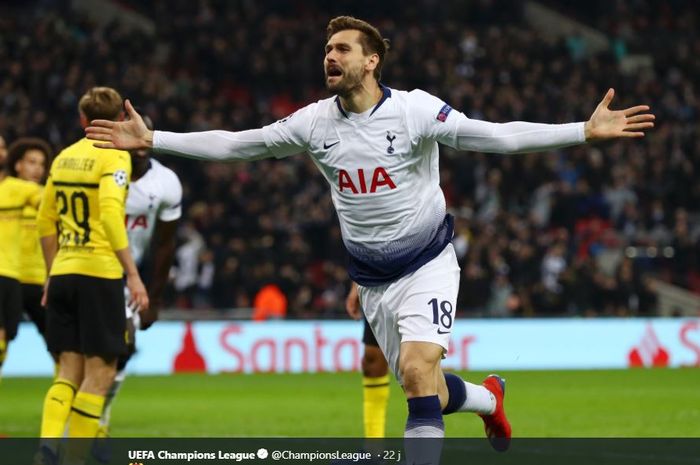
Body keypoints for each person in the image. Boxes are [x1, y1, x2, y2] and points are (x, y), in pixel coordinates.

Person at [86, 16, 654, 459]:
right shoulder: (314, 122)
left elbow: (494, 137)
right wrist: (154, 138)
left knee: (412, 371)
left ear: (372, 59)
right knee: (423, 380)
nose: (330, 57)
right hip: (374, 280)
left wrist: (582, 130)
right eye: (327, 51)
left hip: (429, 261)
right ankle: (486, 399)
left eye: (343, 49)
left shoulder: (414, 111)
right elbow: (241, 144)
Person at [36, 87, 148, 465]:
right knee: (100, 375)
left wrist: (52, 274)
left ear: (83, 120)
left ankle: (47, 448)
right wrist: (132, 274)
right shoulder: (115, 155)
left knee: (67, 372)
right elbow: (109, 217)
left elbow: (43, 220)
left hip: (64, 272)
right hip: (98, 274)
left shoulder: (64, 157)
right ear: (119, 119)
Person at [93, 113, 182, 457]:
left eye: (145, 130)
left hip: (127, 280)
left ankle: (97, 422)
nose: (140, 138)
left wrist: (155, 298)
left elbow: (164, 244)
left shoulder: (166, 183)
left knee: (122, 349)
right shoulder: (100, 171)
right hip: (91, 268)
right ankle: (88, 424)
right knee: (91, 355)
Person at [0, 135, 43, 379]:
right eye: (31, 162)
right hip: (9, 274)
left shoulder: (22, 191)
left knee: (5, 338)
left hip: (21, 277)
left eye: (3, 147)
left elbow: (49, 202)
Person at [6, 138, 54, 356]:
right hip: (10, 277)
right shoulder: (6, 193)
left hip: (40, 282)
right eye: (32, 162)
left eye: (41, 164)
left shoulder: (49, 198)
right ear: (18, 165)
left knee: (58, 345)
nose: (37, 169)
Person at [346, 281, 390, 438]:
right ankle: (374, 450)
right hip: (379, 286)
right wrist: (356, 286)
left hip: (418, 281)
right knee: (372, 362)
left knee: (417, 368)